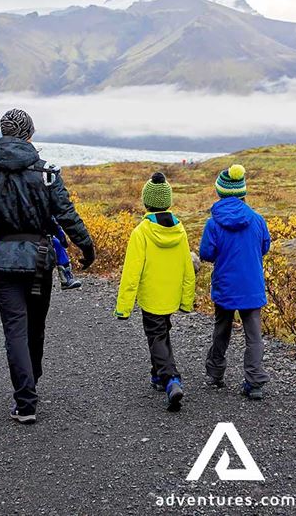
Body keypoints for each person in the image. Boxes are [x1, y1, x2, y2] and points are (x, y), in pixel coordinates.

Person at [0, 109, 93, 424]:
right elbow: (66, 213)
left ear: (5, 133)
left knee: (15, 330)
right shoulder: (47, 173)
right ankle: (30, 380)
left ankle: (25, 401)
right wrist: (85, 244)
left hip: (4, 262)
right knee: (36, 327)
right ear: (29, 135)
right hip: (39, 261)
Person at [114, 172, 195, 411]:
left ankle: (171, 378)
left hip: (151, 297)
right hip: (171, 296)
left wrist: (123, 307)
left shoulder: (141, 232)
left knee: (156, 335)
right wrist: (186, 300)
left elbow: (131, 272)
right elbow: (187, 269)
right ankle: (157, 375)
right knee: (162, 332)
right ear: (167, 202)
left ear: (146, 202)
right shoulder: (180, 231)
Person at [200, 164, 271, 400]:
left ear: (219, 192)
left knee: (222, 330)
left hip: (226, 286)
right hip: (251, 286)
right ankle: (255, 382)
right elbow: (265, 247)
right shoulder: (258, 220)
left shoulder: (213, 223)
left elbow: (207, 253)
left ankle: (215, 373)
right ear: (243, 192)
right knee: (254, 336)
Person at [0, 220, 81, 290]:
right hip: (36, 237)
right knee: (57, 244)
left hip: (10, 236)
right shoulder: (39, 194)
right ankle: (65, 277)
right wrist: (62, 238)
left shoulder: (7, 195)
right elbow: (52, 220)